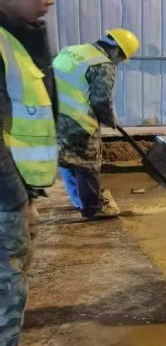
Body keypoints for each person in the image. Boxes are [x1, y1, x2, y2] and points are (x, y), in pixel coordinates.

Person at [0, 0, 67, 346]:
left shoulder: (14, 38)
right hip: (4, 199)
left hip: (15, 191)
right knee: (6, 287)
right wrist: (16, 201)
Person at [53, 28, 139, 219]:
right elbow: (101, 101)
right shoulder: (102, 64)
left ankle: (78, 200)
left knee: (68, 160)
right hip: (78, 121)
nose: (119, 62)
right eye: (121, 57)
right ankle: (93, 209)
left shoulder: (71, 51)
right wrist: (111, 120)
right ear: (116, 50)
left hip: (55, 116)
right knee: (87, 165)